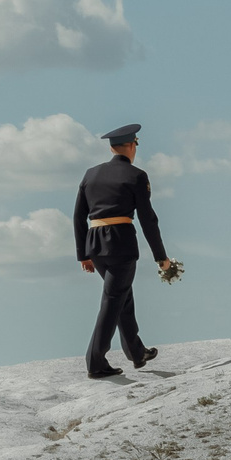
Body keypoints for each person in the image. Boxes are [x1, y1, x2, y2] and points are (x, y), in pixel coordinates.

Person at [73, 122, 180, 378]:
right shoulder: (137, 176)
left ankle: (136, 351)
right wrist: (161, 258)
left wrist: (83, 255)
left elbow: (78, 216)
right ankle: (95, 362)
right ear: (132, 146)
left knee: (122, 296)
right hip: (120, 243)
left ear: (112, 149)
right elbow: (148, 219)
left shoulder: (91, 174)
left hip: (95, 244)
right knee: (112, 300)